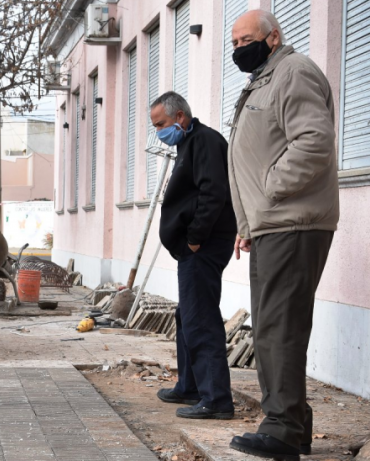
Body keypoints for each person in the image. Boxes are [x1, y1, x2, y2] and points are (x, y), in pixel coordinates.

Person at [226, 10, 339, 461]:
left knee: (279, 328)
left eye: (245, 40)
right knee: (275, 326)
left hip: (294, 221)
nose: (238, 49)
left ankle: (282, 430)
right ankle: (294, 425)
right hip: (274, 224)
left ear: (272, 37)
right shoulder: (264, 79)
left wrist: (270, 192)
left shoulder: (293, 73)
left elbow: (314, 140)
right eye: (232, 43)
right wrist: (250, 222)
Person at [150, 91, 238, 420]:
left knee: (199, 317)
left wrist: (196, 239)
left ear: (181, 118)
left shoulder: (204, 141)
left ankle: (216, 399)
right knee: (186, 315)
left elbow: (213, 192)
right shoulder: (188, 144)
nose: (159, 132)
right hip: (194, 246)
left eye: (161, 124)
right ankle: (190, 386)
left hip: (204, 244)